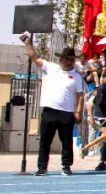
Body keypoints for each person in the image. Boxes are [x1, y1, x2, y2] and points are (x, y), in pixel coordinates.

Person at [21, 34, 85, 176]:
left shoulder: (76, 76)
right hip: (49, 111)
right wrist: (27, 43)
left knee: (66, 142)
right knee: (45, 141)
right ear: (61, 59)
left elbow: (80, 96)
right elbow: (35, 57)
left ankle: (66, 166)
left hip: (66, 113)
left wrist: (78, 112)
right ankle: (42, 167)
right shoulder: (50, 68)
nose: (68, 62)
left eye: (71, 60)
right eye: (66, 59)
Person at [81, 72, 106, 157]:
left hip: (105, 114)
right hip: (103, 115)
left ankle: (101, 152)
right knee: (105, 135)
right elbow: (100, 102)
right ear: (103, 78)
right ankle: (86, 147)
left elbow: (96, 100)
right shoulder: (102, 88)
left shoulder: (105, 88)